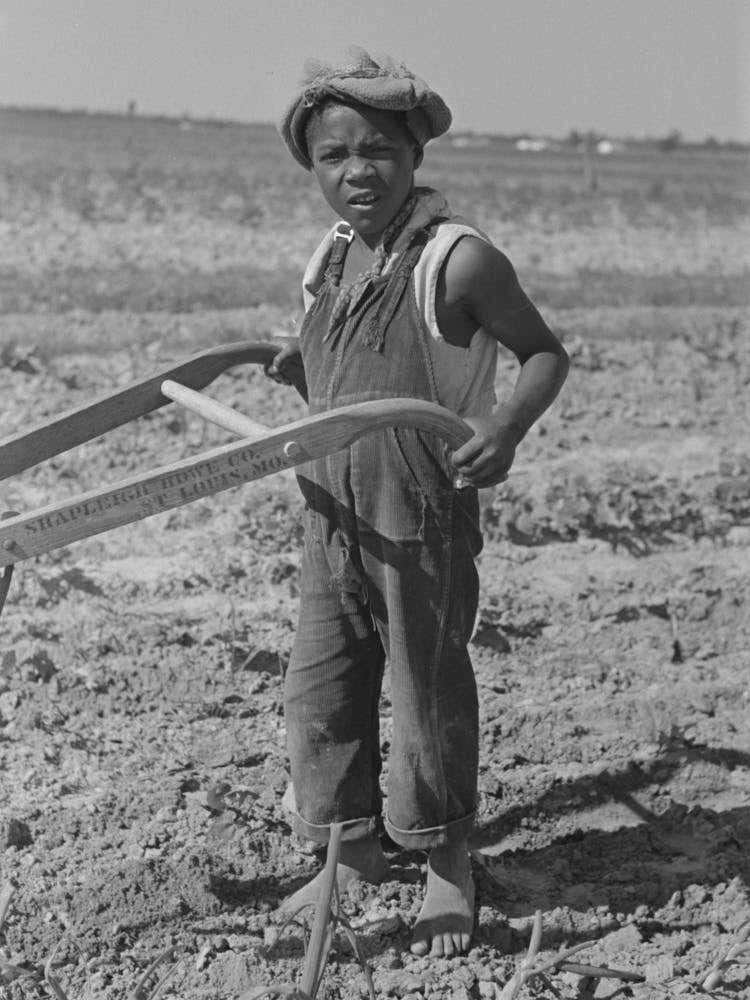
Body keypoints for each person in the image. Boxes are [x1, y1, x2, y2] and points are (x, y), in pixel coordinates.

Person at [267, 47, 569, 958]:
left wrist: (507, 427)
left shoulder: (457, 260)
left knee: (425, 685)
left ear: (415, 158)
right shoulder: (330, 257)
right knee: (322, 682)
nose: (358, 173)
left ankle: (445, 861)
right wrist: (297, 368)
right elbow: (339, 364)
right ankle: (350, 848)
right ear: (312, 165)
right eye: (334, 156)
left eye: (380, 152)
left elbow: (545, 352)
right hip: (331, 507)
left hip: (420, 509)